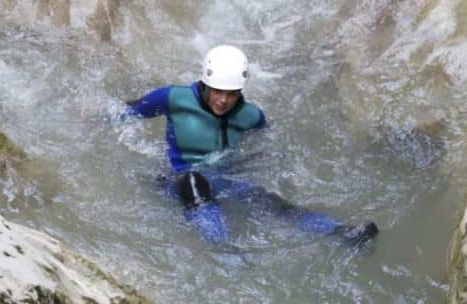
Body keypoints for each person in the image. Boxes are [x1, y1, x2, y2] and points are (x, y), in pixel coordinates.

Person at [124, 44, 378, 245]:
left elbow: (268, 142)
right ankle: (223, 250)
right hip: (177, 180)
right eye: (218, 91)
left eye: (232, 93)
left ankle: (338, 233)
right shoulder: (173, 98)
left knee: (269, 200)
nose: (224, 100)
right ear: (205, 84)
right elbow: (126, 111)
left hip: (222, 180)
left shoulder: (251, 116)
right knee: (193, 180)